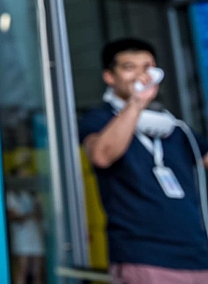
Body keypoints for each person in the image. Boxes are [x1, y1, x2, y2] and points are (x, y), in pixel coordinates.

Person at [80, 38, 208, 283]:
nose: (141, 75)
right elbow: (102, 155)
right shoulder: (100, 118)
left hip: (197, 255)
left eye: (148, 68)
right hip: (143, 255)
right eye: (130, 68)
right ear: (109, 76)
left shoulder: (172, 126)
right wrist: (137, 102)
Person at [6, 161, 44, 284]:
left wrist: (37, 205)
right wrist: (29, 215)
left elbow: (39, 215)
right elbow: (13, 216)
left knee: (37, 270)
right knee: (23, 268)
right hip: (21, 235)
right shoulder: (11, 195)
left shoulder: (30, 194)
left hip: (35, 233)